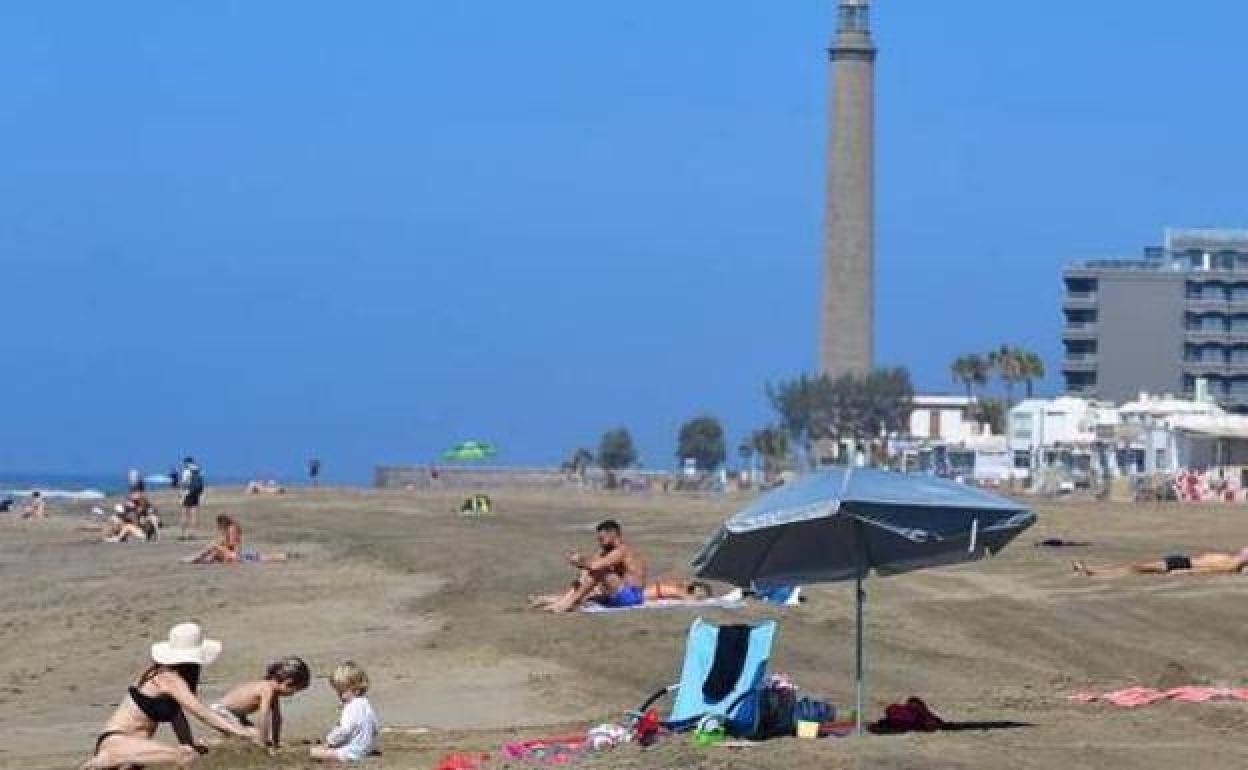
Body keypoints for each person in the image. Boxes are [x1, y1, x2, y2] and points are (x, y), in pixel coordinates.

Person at [81, 622, 263, 769]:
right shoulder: (167, 678)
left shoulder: (176, 681)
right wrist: (240, 733)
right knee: (186, 757)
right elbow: (201, 712)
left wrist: (188, 742)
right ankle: (107, 758)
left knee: (189, 752)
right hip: (118, 741)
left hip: (136, 745)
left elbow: (177, 716)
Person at [528, 520, 653, 613]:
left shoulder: (622, 551)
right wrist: (582, 566)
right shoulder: (609, 551)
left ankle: (567, 604)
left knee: (598, 571)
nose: (599, 541)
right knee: (587, 577)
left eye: (602, 538)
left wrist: (579, 561)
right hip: (617, 593)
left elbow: (595, 566)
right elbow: (590, 565)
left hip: (631, 596)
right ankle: (548, 599)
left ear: (613, 534)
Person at [210, 657, 310, 748]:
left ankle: (226, 740)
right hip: (221, 711)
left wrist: (276, 743)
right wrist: (263, 743)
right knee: (250, 737)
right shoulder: (267, 689)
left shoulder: (274, 692)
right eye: (295, 690)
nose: (293, 694)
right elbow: (264, 716)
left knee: (254, 735)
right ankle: (210, 743)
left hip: (236, 715)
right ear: (288, 683)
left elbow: (277, 718)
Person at [310, 661, 379, 763]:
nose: (339, 695)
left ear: (356, 689)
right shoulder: (365, 703)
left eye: (342, 692)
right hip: (366, 748)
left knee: (314, 752)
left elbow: (344, 730)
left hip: (351, 752)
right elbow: (375, 727)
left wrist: (329, 742)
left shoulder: (351, 707)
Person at [1074, 547, 1248, 577]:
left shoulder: (1233, 564)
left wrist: (1187, 572)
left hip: (1184, 564)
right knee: (1137, 567)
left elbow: (1217, 570)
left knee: (1137, 567)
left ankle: (1095, 571)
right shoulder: (1237, 561)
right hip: (1184, 561)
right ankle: (1094, 570)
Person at [183, 515, 288, 564]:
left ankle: (194, 559)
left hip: (236, 555)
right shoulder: (228, 529)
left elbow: (233, 544)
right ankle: (196, 559)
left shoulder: (232, 528)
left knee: (213, 547)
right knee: (213, 553)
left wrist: (221, 544)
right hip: (234, 554)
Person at [179, 458, 204, 539]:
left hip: (187, 494)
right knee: (194, 515)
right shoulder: (198, 470)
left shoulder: (186, 471)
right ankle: (193, 534)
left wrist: (181, 494)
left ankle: (183, 534)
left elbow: (183, 483)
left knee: (184, 515)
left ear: (186, 462)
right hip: (196, 494)